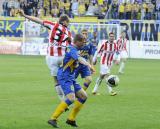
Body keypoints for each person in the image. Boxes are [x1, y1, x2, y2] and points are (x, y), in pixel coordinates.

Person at [18, 10, 72, 101]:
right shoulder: (68, 32)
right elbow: (71, 45)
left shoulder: (52, 25)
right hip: (62, 57)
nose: (69, 24)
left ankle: (62, 100)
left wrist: (25, 15)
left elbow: (38, 20)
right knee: (65, 77)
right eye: (68, 22)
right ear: (64, 21)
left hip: (51, 58)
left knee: (56, 80)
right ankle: (69, 96)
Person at [48, 34, 95, 128]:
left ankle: (71, 119)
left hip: (70, 76)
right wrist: (89, 65)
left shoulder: (74, 48)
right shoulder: (72, 49)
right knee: (71, 98)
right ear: (77, 42)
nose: (84, 43)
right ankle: (53, 119)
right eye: (83, 41)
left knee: (83, 96)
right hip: (64, 76)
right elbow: (79, 59)